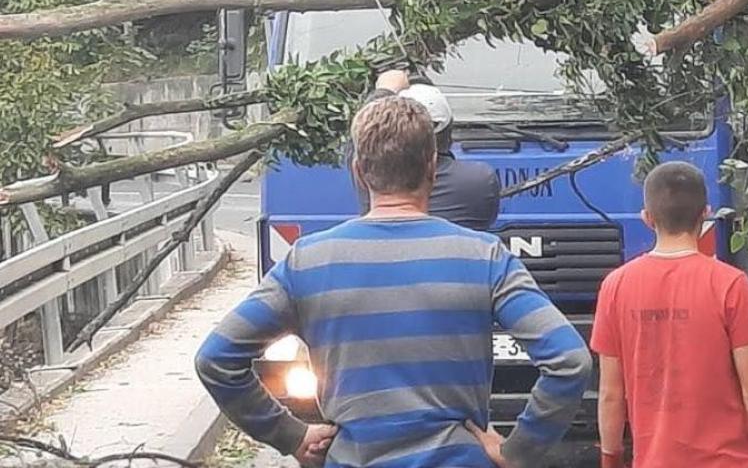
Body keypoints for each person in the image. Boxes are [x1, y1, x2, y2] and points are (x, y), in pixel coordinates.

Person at [195, 95, 591, 468]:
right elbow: (569, 361)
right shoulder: (485, 257)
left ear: (358, 171)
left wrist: (290, 434)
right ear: (433, 166)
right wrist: (519, 450)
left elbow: (216, 359)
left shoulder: (307, 262)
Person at [590, 162, 748, 468]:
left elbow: (610, 393)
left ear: (647, 218)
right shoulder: (730, 284)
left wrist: (610, 458)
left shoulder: (615, 287)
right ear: (705, 213)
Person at [351, 69, 500, 230]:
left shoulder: (326, 249)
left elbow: (362, 138)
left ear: (359, 172)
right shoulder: (479, 181)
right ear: (432, 167)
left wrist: (383, 90)